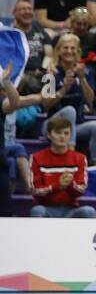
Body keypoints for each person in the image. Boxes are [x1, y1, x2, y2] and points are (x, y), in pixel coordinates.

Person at [41, 33, 96, 168]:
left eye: (72, 48)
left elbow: (90, 102)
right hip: (51, 125)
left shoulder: (85, 72)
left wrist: (82, 79)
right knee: (69, 111)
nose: (69, 51)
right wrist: (63, 88)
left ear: (78, 51)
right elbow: (45, 106)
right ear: (58, 51)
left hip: (76, 125)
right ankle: (70, 159)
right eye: (65, 48)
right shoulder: (50, 74)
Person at [29, 113, 95, 218]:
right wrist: (58, 186)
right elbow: (35, 191)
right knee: (37, 211)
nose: (62, 136)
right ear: (49, 134)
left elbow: (81, 189)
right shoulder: (36, 158)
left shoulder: (80, 158)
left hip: (71, 209)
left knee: (89, 211)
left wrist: (69, 184)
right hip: (46, 208)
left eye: (66, 133)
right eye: (58, 133)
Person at [2, 62, 42, 216]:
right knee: (17, 149)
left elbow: (24, 101)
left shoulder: (9, 104)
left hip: (6, 150)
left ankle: (8, 204)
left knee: (10, 162)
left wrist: (50, 80)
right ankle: (29, 184)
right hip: (7, 148)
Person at [66, 8, 96, 113]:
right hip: (68, 66)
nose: (82, 27)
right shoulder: (66, 38)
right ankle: (84, 104)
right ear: (72, 23)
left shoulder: (93, 37)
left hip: (90, 66)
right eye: (79, 24)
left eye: (85, 24)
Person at [9, 0, 52, 92]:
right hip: (20, 75)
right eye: (23, 9)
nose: (27, 12)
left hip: (40, 72)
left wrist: (43, 69)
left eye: (29, 9)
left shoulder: (38, 28)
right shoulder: (10, 34)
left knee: (51, 78)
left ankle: (48, 106)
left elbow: (49, 54)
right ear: (14, 13)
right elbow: (8, 61)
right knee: (26, 82)